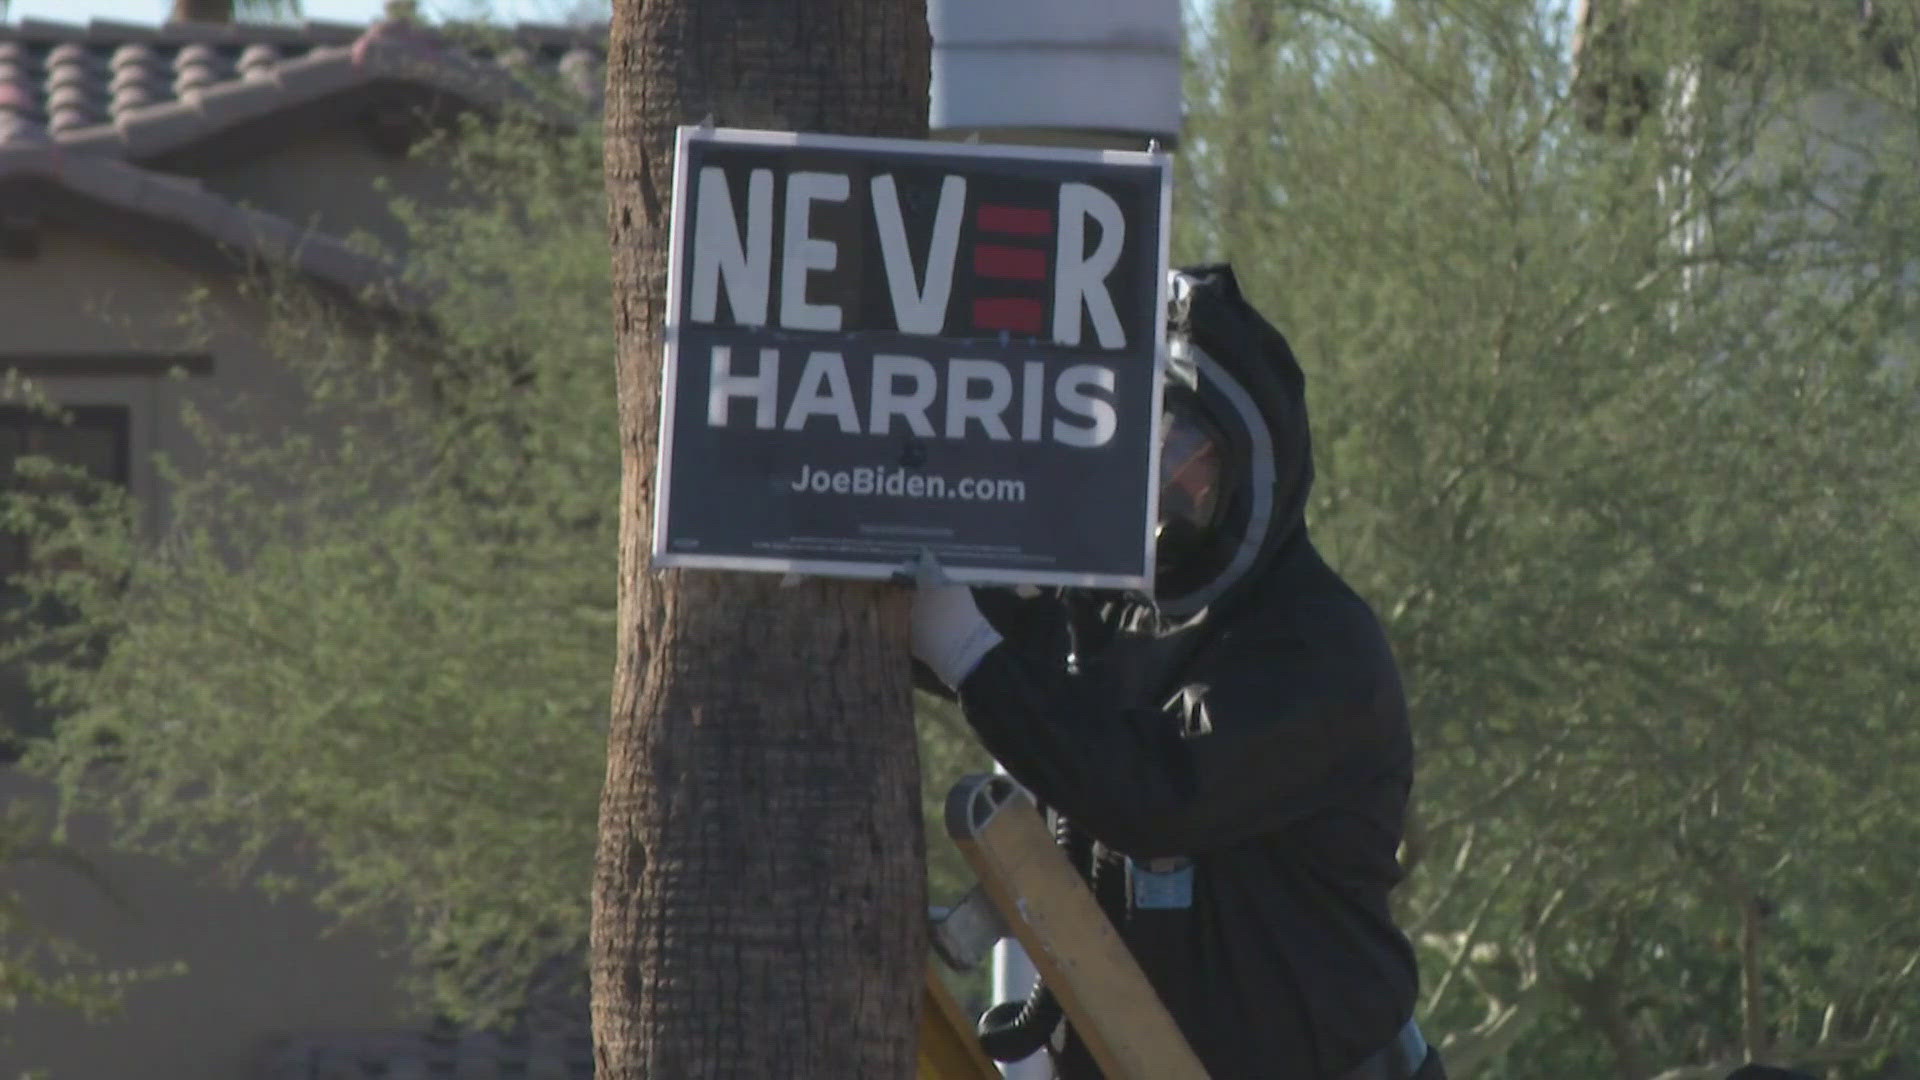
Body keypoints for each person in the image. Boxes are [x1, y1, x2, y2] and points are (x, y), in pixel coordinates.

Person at [910, 264, 1440, 1080]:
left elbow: (1153, 793)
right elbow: (1009, 662)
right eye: (1142, 442)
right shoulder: (1112, 605)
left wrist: (973, 654)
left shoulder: (1318, 651)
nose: (1162, 477)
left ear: (1247, 469)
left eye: (1187, 448)